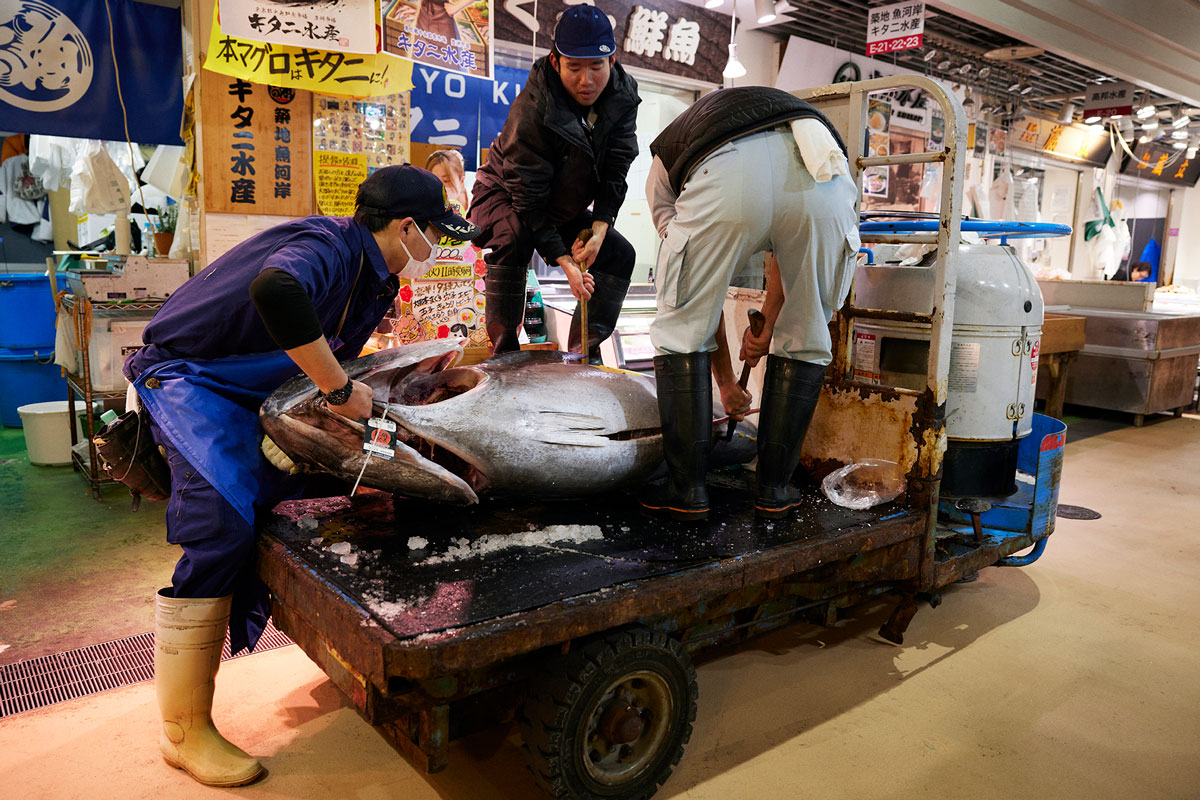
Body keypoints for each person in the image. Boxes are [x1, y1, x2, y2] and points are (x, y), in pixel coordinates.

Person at [123, 165, 478, 787]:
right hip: (186, 379)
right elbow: (277, 292)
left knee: (323, 492)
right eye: (436, 237)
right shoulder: (326, 247)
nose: (437, 251)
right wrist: (339, 391)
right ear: (406, 227)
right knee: (222, 525)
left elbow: (313, 360)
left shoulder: (377, 281)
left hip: (246, 396)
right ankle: (183, 730)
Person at [637, 86, 860, 521]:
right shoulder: (787, 117)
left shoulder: (666, 167)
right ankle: (774, 489)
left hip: (729, 172)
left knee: (680, 332)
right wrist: (770, 326)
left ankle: (688, 491)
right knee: (808, 337)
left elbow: (696, 307)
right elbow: (786, 261)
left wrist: (725, 377)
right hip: (822, 175)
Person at [469, 5, 640, 360]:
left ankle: (582, 355)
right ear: (555, 61)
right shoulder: (534, 106)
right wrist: (564, 261)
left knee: (620, 254)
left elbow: (617, 167)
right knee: (515, 235)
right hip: (504, 193)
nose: (586, 80)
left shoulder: (623, 97)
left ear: (612, 60)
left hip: (563, 206)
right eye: (574, 67)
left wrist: (599, 228)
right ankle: (504, 353)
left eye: (597, 66)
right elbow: (527, 195)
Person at [425, 148, 470, 213]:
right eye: (433, 181)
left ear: (461, 181)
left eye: (446, 180)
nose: (439, 187)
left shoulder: (477, 204)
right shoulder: (424, 207)